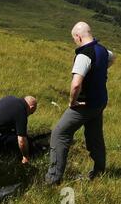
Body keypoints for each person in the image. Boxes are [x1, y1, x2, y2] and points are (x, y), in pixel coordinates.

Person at [45, 22, 115, 185]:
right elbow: (112, 58)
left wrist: (72, 101)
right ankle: (99, 172)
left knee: (59, 134)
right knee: (94, 136)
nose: (74, 41)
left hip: (84, 105)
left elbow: (76, 84)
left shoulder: (84, 55)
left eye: (74, 39)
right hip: (100, 102)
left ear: (78, 36)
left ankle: (53, 177)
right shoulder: (103, 50)